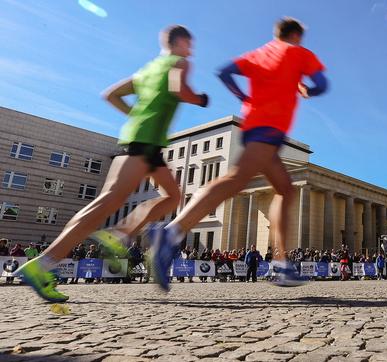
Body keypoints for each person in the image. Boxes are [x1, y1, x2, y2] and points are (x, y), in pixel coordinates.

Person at [15, 25, 209, 302]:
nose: (192, 49)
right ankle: (43, 264)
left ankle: (119, 233)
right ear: (180, 42)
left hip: (145, 141)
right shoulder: (179, 62)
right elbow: (180, 90)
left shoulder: (146, 71)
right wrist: (200, 99)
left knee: (172, 196)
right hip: (145, 142)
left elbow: (110, 95)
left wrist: (136, 114)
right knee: (106, 203)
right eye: (190, 43)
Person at [150, 17, 327, 289]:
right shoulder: (299, 53)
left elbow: (225, 72)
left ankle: (281, 263)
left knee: (285, 188)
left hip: (255, 124)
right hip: (269, 127)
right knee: (236, 180)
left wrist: (243, 97)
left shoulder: (260, 53)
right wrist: (306, 88)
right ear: (296, 36)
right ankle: (172, 232)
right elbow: (322, 84)